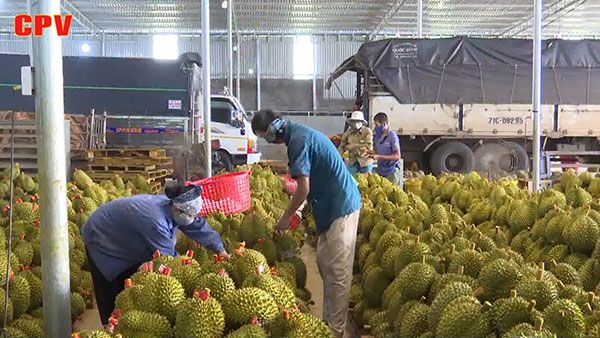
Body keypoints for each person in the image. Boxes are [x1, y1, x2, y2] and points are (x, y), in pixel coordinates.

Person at [252, 109, 361, 338]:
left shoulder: (298, 140)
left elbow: (303, 188)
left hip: (341, 206)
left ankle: (335, 331)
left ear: (272, 129)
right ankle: (328, 322)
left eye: (264, 135)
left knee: (337, 272)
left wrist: (285, 217)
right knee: (324, 263)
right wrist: (301, 211)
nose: (267, 140)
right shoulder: (297, 134)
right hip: (327, 207)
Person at [81, 184, 229, 327]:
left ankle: (126, 321)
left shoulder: (175, 208)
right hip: (102, 234)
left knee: (133, 283)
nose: (192, 218)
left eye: (193, 215)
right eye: (189, 215)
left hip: (127, 233)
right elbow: (169, 258)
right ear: (177, 209)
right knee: (111, 287)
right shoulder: (155, 220)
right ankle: (110, 326)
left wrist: (220, 249)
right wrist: (192, 277)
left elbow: (197, 225)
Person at [370, 112, 403, 187]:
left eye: (377, 125)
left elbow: (397, 156)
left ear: (384, 124)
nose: (375, 128)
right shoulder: (377, 137)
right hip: (381, 171)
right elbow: (377, 151)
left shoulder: (392, 137)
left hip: (391, 171)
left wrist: (379, 157)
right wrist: (368, 152)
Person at [338, 111, 374, 175]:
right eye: (354, 121)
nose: (356, 123)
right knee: (352, 181)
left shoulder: (367, 131)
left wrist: (354, 146)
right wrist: (339, 156)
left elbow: (369, 146)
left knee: (366, 182)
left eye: (358, 121)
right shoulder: (348, 133)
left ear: (362, 122)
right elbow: (342, 145)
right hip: (353, 161)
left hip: (365, 162)